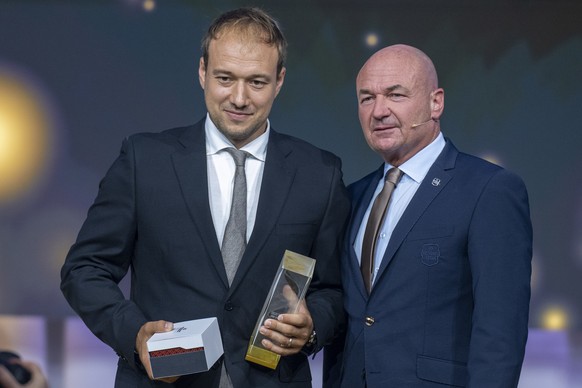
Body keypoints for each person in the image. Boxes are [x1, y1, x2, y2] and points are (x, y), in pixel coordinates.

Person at [60, 7, 349, 388]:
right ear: (202, 72)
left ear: (280, 80)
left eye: (257, 82)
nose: (239, 98)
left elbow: (334, 289)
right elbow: (84, 269)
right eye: (225, 78)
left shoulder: (320, 173)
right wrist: (134, 334)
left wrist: (312, 327)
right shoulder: (144, 161)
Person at [328, 44, 532, 387]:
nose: (379, 111)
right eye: (366, 98)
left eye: (395, 94)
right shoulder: (354, 196)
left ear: (435, 102)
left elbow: (500, 331)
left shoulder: (489, 190)